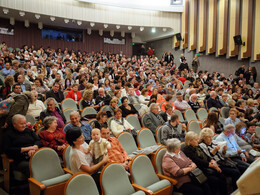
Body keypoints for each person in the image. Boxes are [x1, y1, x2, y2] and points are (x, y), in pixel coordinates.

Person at [66, 127, 108, 192]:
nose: (84, 137)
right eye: (80, 137)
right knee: (107, 177)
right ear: (74, 141)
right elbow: (89, 170)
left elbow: (91, 153)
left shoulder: (82, 144)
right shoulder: (76, 154)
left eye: (82, 135)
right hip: (85, 178)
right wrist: (103, 161)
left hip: (94, 171)